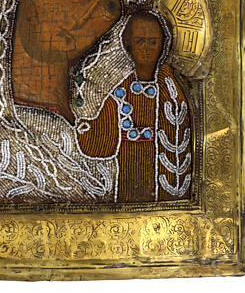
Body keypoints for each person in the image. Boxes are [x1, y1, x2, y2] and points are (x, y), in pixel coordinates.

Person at [76, 11, 193, 203]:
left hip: (168, 176)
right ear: (128, 46)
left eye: (153, 42)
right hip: (130, 174)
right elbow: (102, 143)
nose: (146, 49)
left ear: (163, 45)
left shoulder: (172, 90)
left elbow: (184, 130)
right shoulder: (121, 92)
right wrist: (83, 127)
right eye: (140, 41)